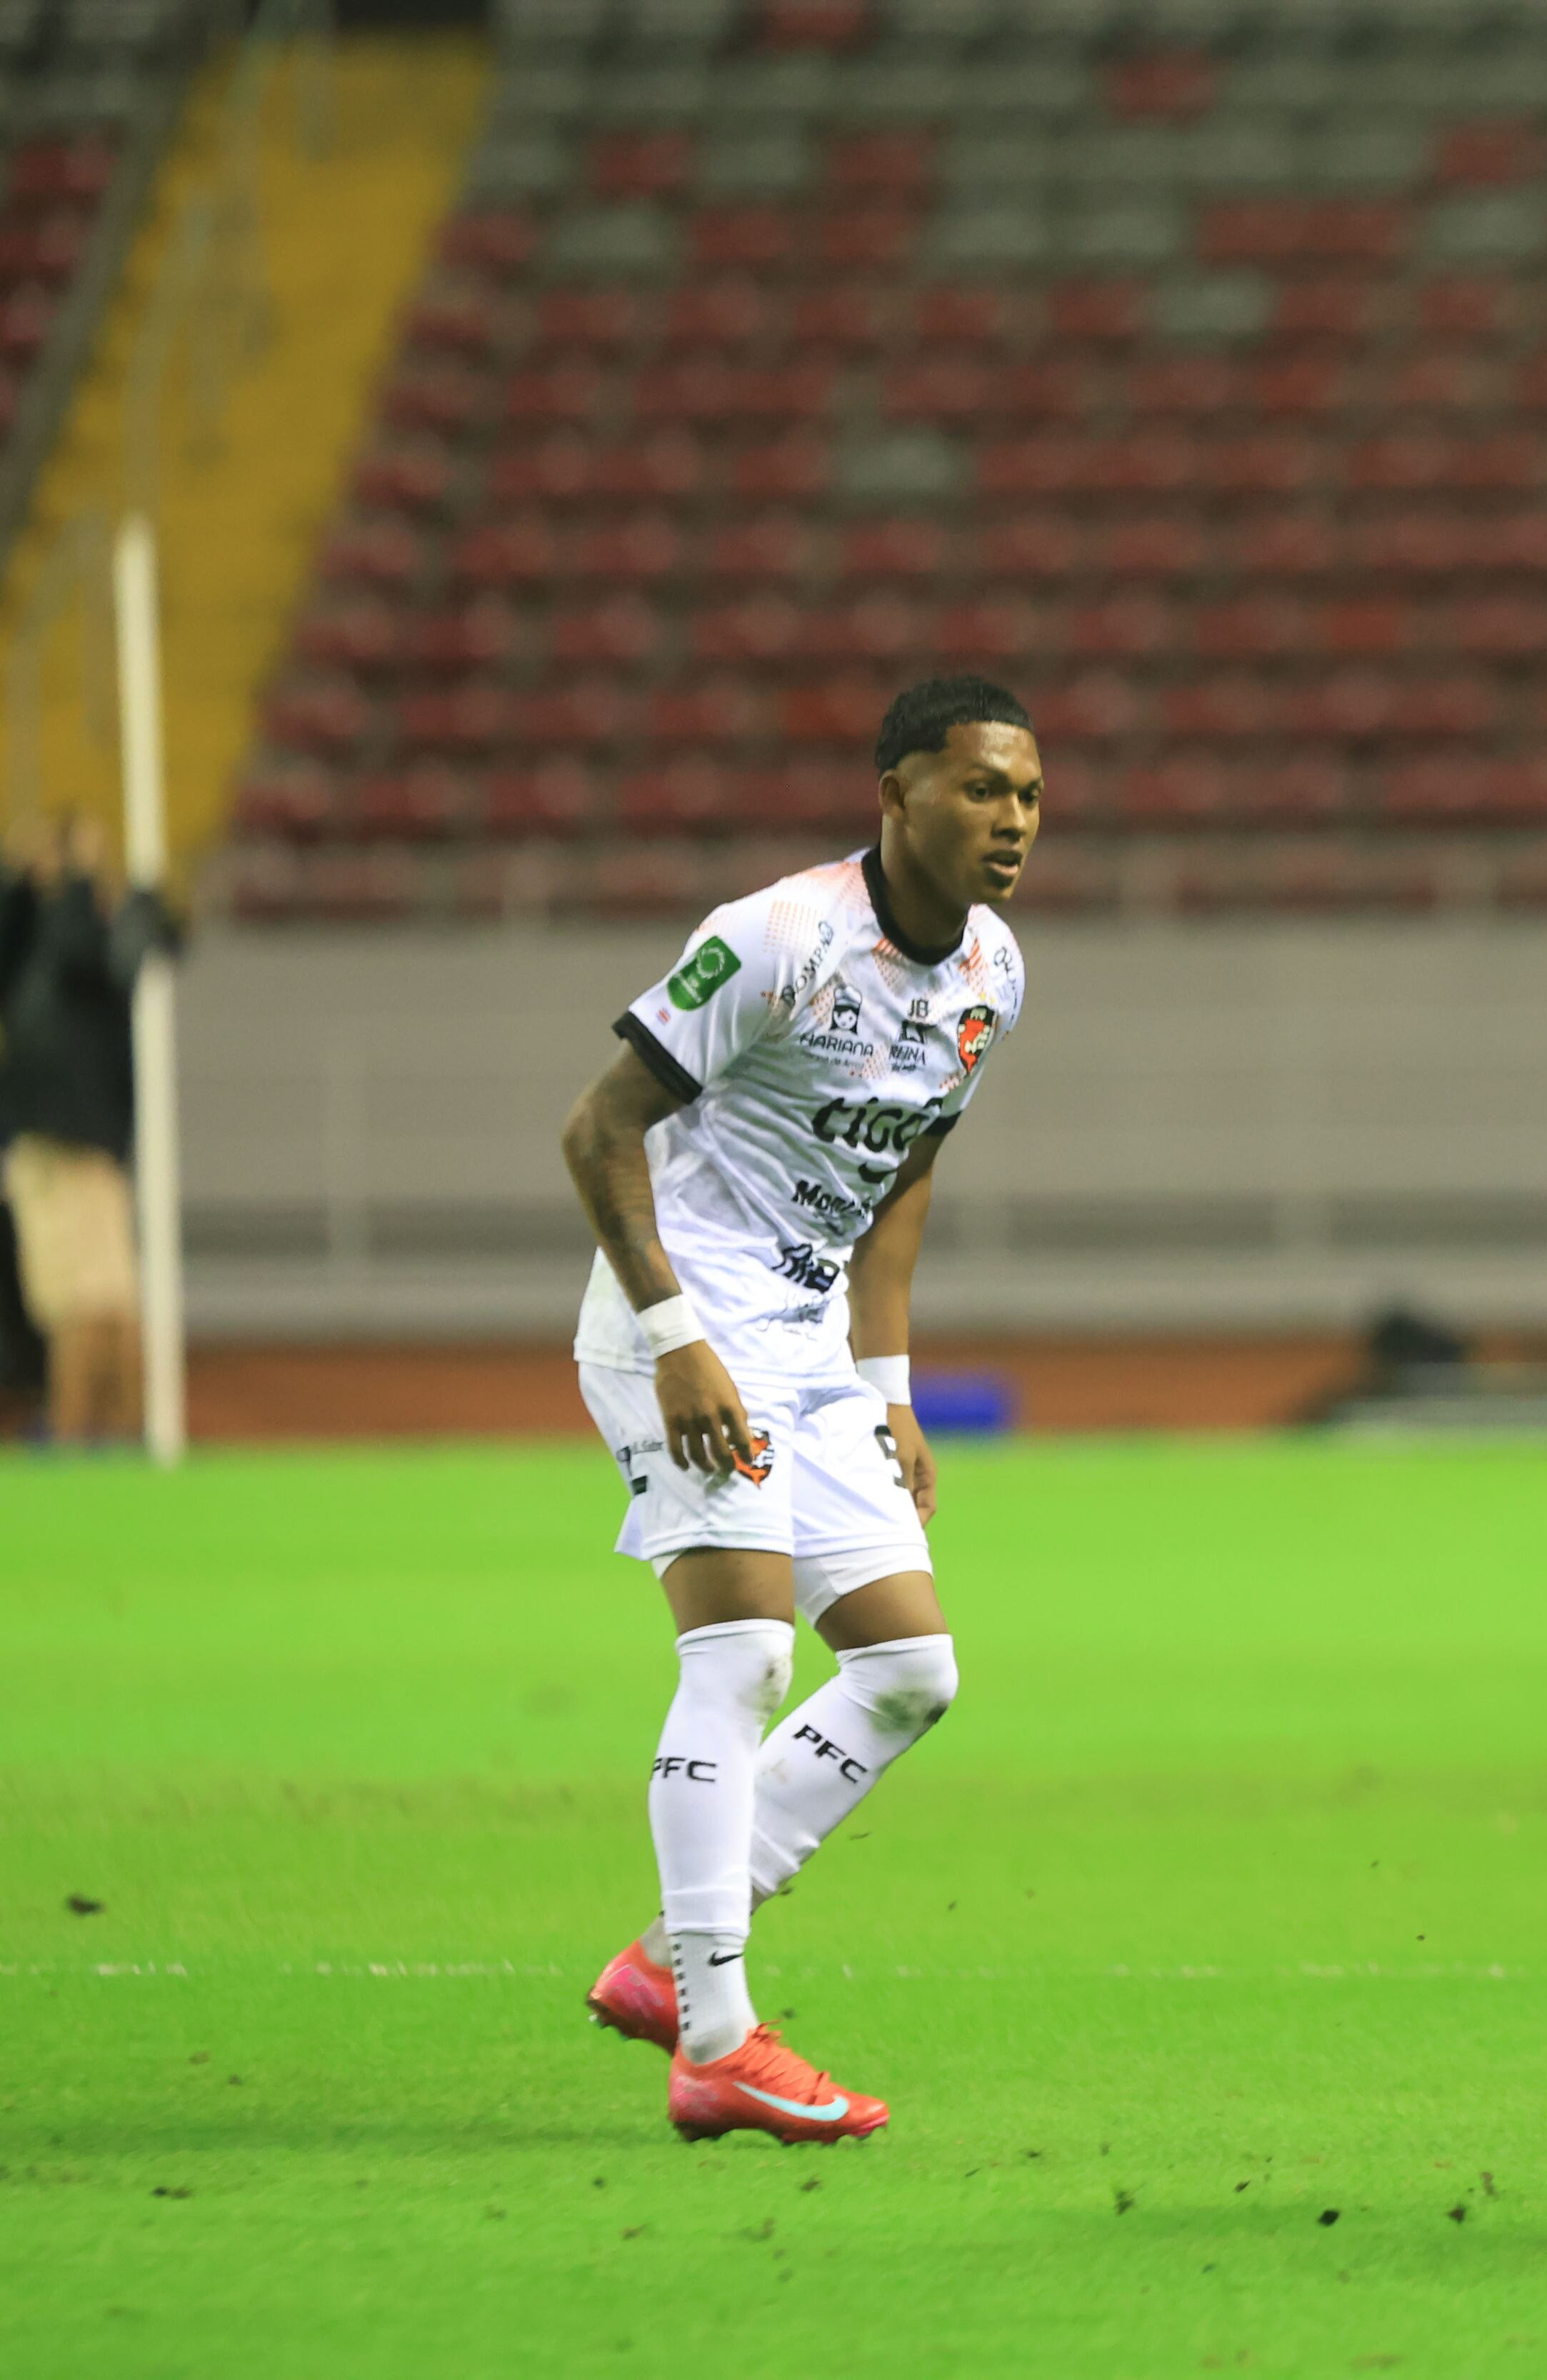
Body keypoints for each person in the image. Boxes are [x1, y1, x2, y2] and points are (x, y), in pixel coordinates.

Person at [557, 676, 1036, 2145]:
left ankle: (663, 1955)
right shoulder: (777, 936)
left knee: (911, 1669)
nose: (1010, 820)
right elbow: (599, 1127)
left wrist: (888, 1388)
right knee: (745, 1652)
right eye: (977, 789)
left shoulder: (995, 972)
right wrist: (674, 1336)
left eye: (1025, 794)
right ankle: (715, 2034)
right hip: (684, 1327)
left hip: (811, 1344)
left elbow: (904, 1176)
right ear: (895, 792)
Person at [0, 812, 171, 1445]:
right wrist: (27, 881)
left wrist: (71, 876)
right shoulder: (84, 944)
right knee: (107, 1295)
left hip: (64, 1142)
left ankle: (78, 1432)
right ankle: (121, 1429)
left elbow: (70, 945)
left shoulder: (87, 943)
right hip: (81, 1140)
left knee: (82, 1300)